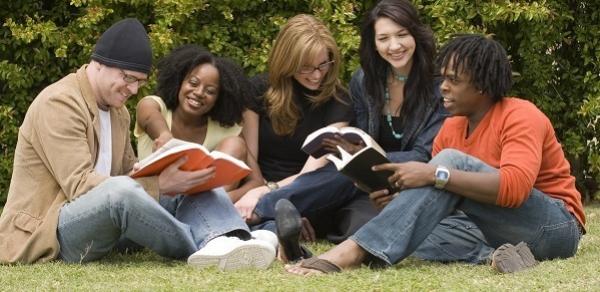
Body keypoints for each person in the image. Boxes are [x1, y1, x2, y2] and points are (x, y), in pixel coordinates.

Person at [285, 34, 585, 276]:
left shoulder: (521, 115)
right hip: (487, 230)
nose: (442, 87)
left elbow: (515, 189)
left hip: (554, 228)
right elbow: (440, 198)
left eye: (454, 80)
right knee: (407, 234)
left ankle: (349, 253)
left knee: (448, 164)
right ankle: (504, 257)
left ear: (481, 85)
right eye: (443, 78)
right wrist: (398, 200)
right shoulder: (451, 127)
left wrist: (435, 174)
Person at [0, 18, 277, 270]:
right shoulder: (60, 102)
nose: (133, 90)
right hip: (52, 232)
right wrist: (160, 185)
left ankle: (233, 236)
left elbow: (129, 172)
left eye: (139, 82)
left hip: (106, 225)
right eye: (128, 78)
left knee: (195, 181)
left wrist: (170, 170)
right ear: (99, 63)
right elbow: (79, 185)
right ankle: (204, 244)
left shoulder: (118, 111)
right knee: (121, 192)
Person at [246, 0, 482, 264]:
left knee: (361, 227)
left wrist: (375, 158)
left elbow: (426, 154)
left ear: (416, 34)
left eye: (402, 35)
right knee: (343, 185)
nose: (394, 46)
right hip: (366, 186)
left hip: (413, 180)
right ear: (374, 42)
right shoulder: (364, 80)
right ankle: (273, 227)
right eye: (384, 38)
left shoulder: (439, 86)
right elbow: (358, 136)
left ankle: (259, 212)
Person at [232, 14, 353, 253]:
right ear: (287, 62)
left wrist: (268, 193)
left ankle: (270, 221)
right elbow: (250, 157)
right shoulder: (258, 89)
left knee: (341, 174)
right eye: (306, 67)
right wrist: (257, 188)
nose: (317, 75)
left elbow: (313, 172)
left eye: (323, 64)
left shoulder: (340, 101)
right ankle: (277, 231)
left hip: (309, 192)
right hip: (259, 189)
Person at [134, 44, 263, 202]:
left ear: (219, 98)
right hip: (153, 203)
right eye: (193, 83)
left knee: (235, 143)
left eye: (210, 91)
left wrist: (224, 200)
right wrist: (164, 135)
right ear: (180, 81)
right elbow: (148, 116)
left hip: (200, 208)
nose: (199, 93)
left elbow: (256, 181)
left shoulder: (224, 130)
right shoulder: (155, 106)